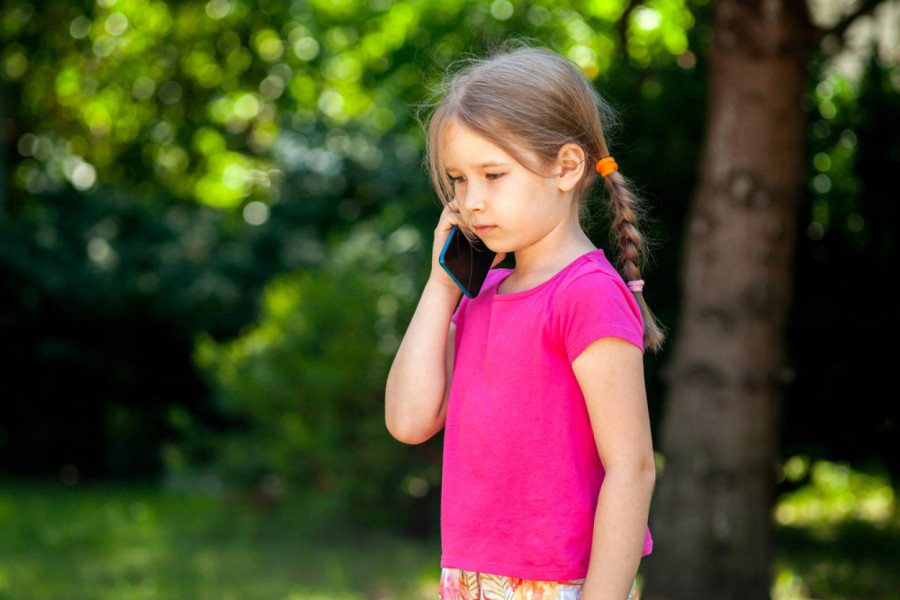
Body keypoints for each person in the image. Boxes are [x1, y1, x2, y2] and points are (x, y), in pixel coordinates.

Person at [385, 45, 664, 600]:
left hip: (560, 584)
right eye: (458, 180)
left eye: (493, 174)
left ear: (566, 167)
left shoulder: (586, 295)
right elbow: (409, 420)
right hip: (468, 580)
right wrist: (442, 285)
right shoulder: (478, 294)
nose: (472, 202)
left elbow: (632, 469)